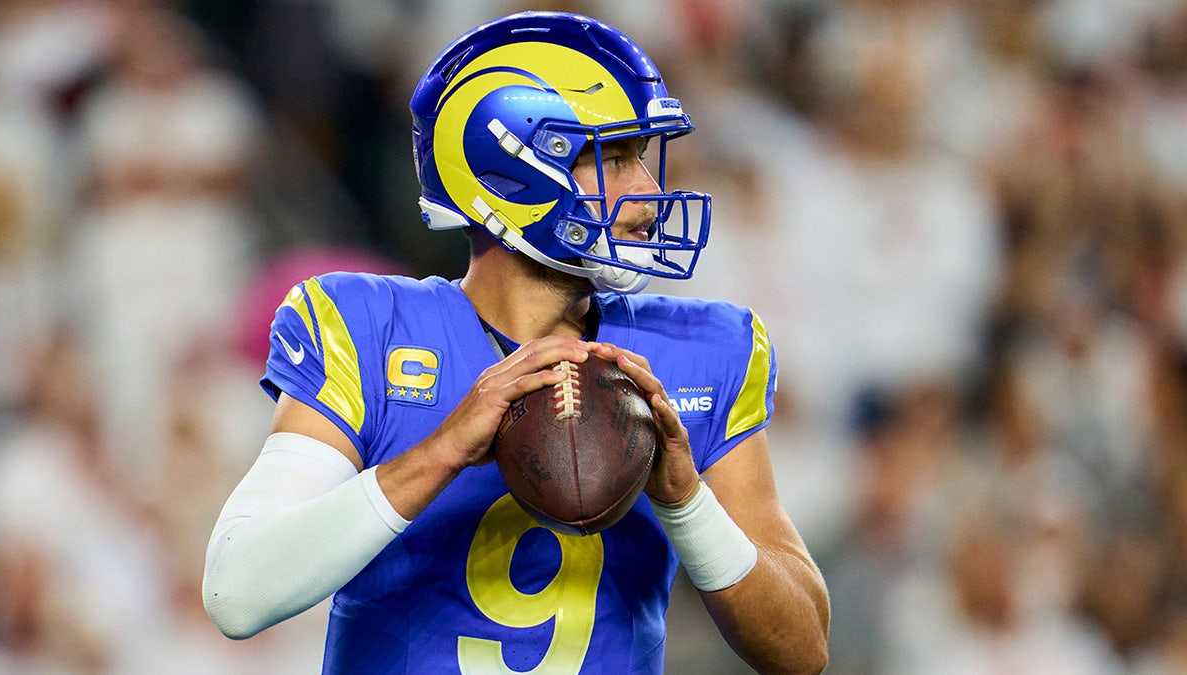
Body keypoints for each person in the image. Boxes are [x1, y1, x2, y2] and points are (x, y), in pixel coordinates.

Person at [202, 11, 829, 674]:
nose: (647, 192)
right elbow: (238, 592)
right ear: (513, 171)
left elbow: (802, 650)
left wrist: (685, 501)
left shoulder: (699, 349)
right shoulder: (367, 328)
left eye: (641, 157)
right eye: (613, 159)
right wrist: (441, 452)